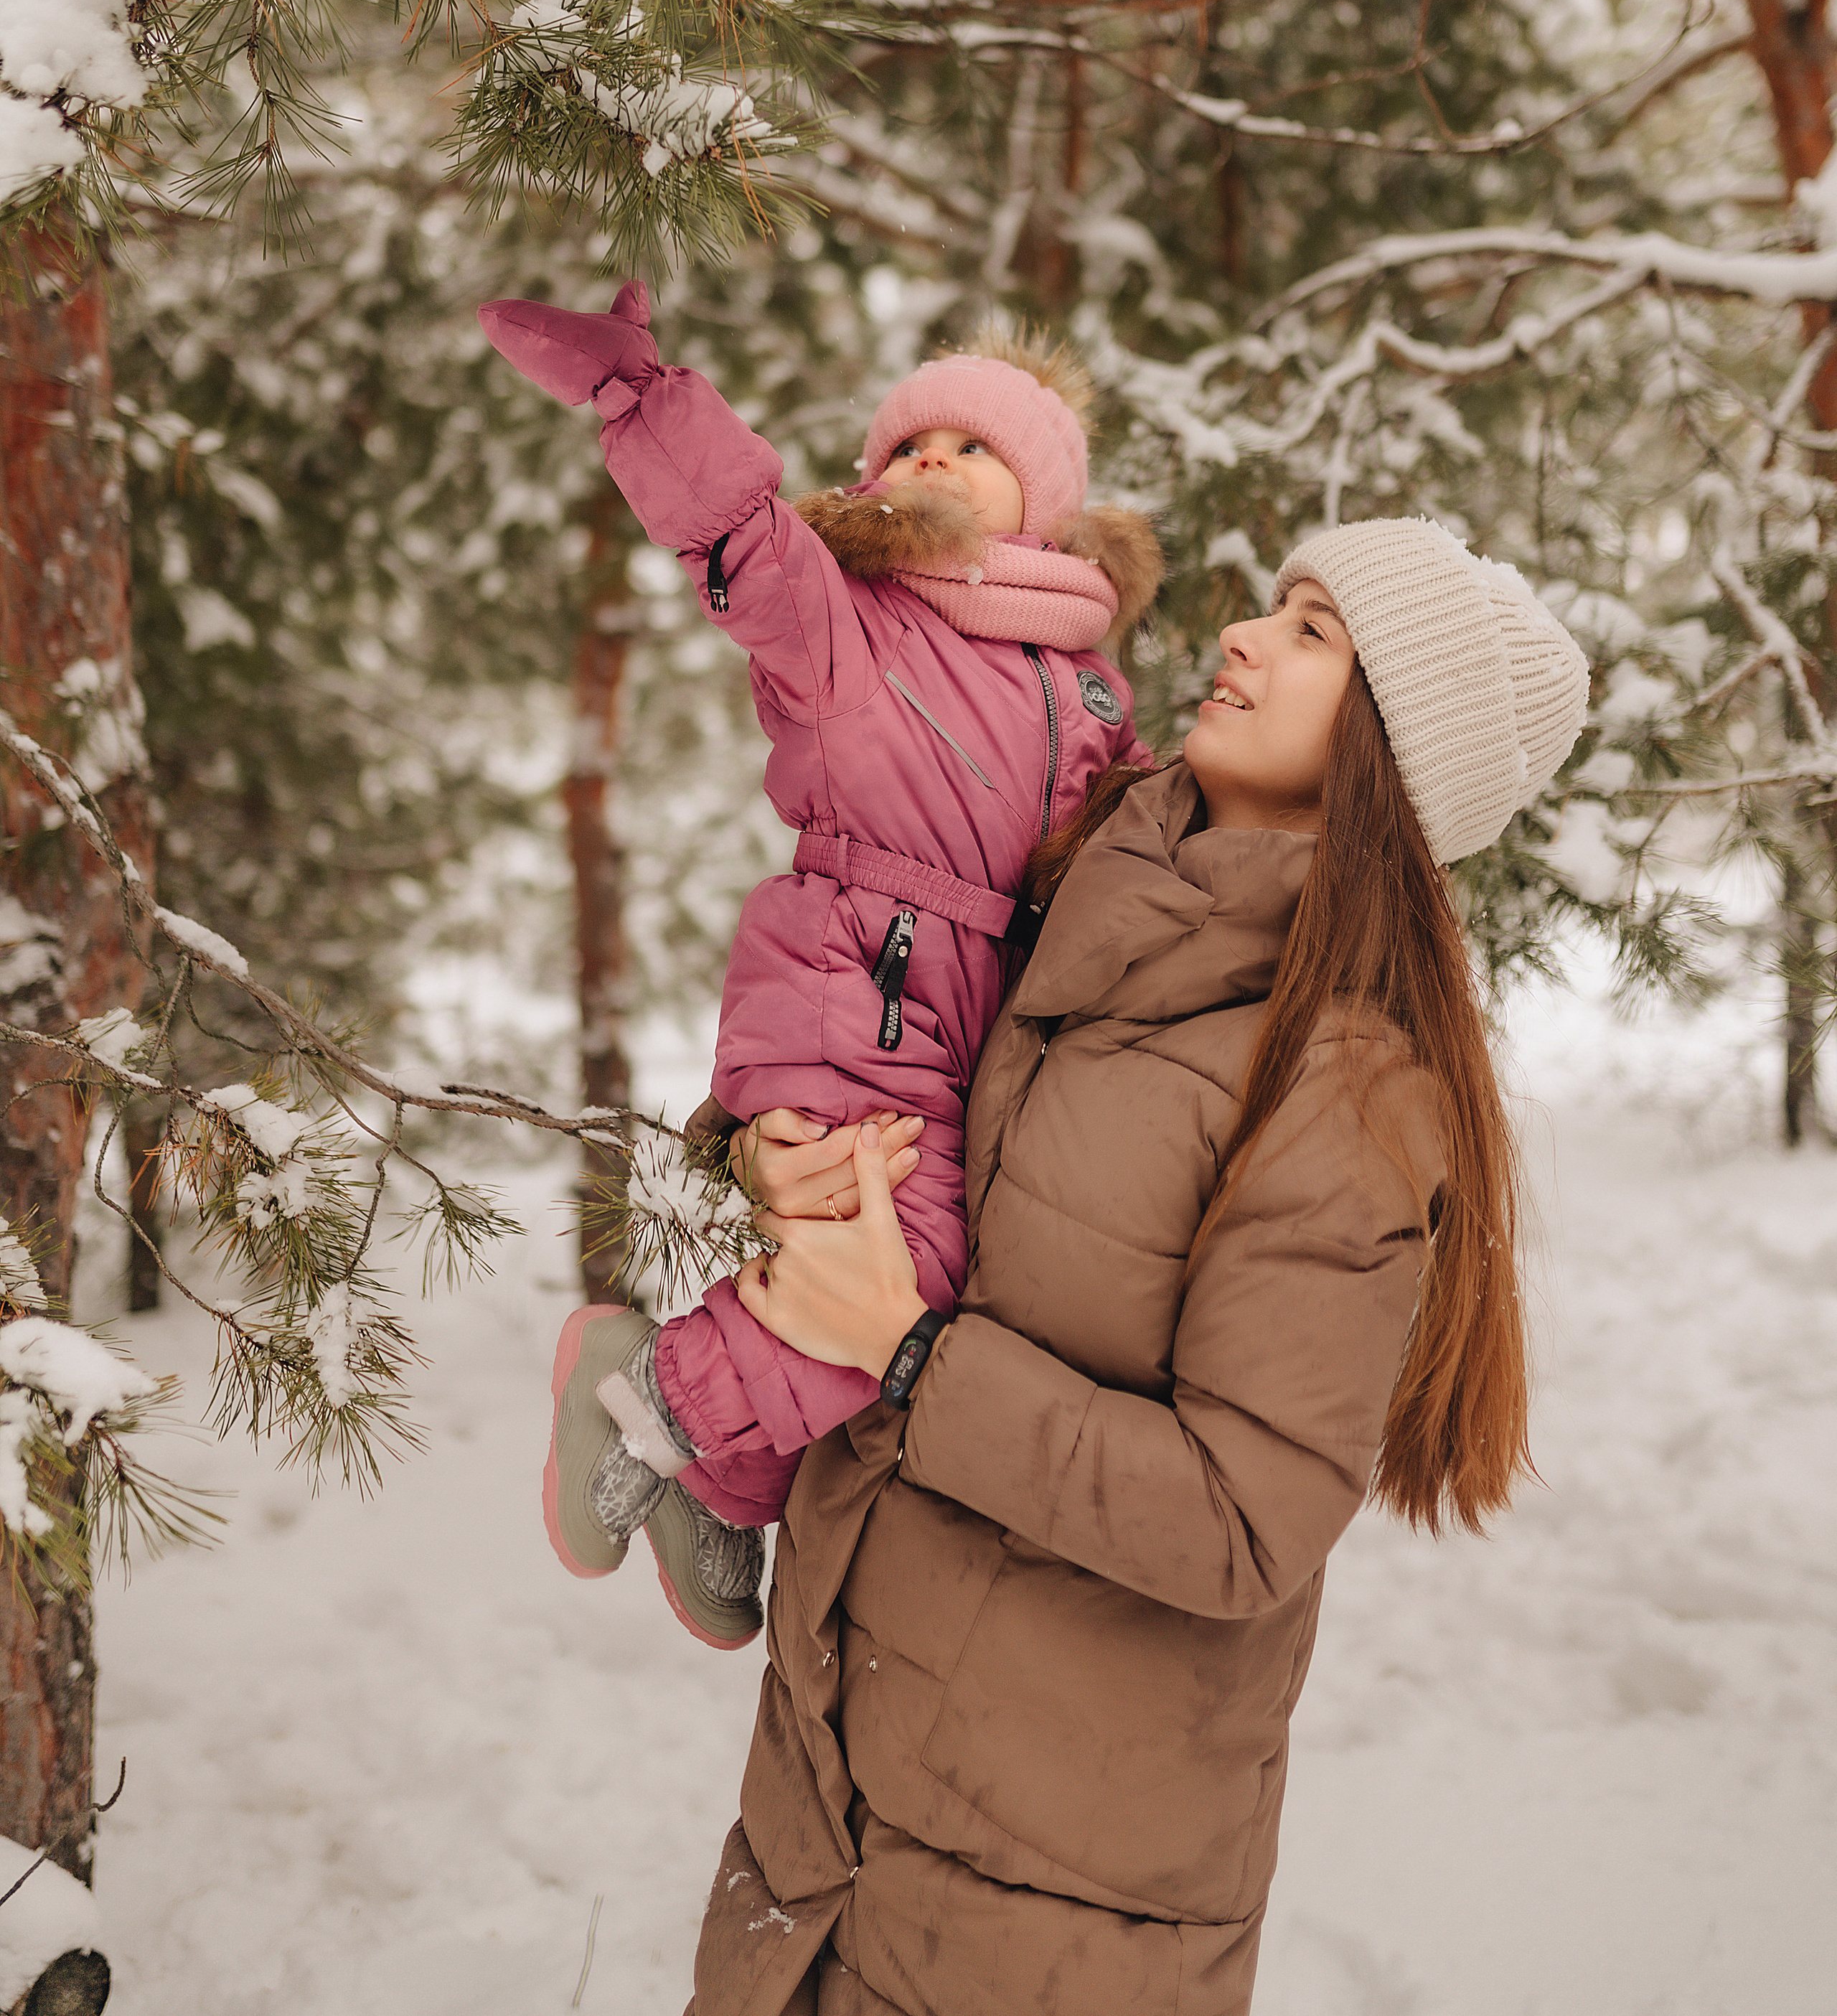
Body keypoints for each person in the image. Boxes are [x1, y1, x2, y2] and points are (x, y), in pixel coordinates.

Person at [678, 514, 1590, 2015]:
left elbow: (1242, 1514)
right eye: (1269, 607)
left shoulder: (1346, 1087)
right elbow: (875, 1090)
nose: (1239, 634)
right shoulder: (1066, 898)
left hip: (1052, 1889)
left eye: (1311, 632)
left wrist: (912, 1358)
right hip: (826, 1793)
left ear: (1388, 752)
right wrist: (765, 1147)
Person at [476, 281, 1162, 1645]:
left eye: (972, 447)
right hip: (863, 969)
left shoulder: (1088, 688)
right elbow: (739, 532)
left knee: (921, 1279)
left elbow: (1136, 840)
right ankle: (658, 1398)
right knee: (911, 1267)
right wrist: (646, 402)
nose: (929, 465)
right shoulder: (849, 617)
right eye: (909, 446)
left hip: (962, 1012)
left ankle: (726, 1491)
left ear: (1046, 500)